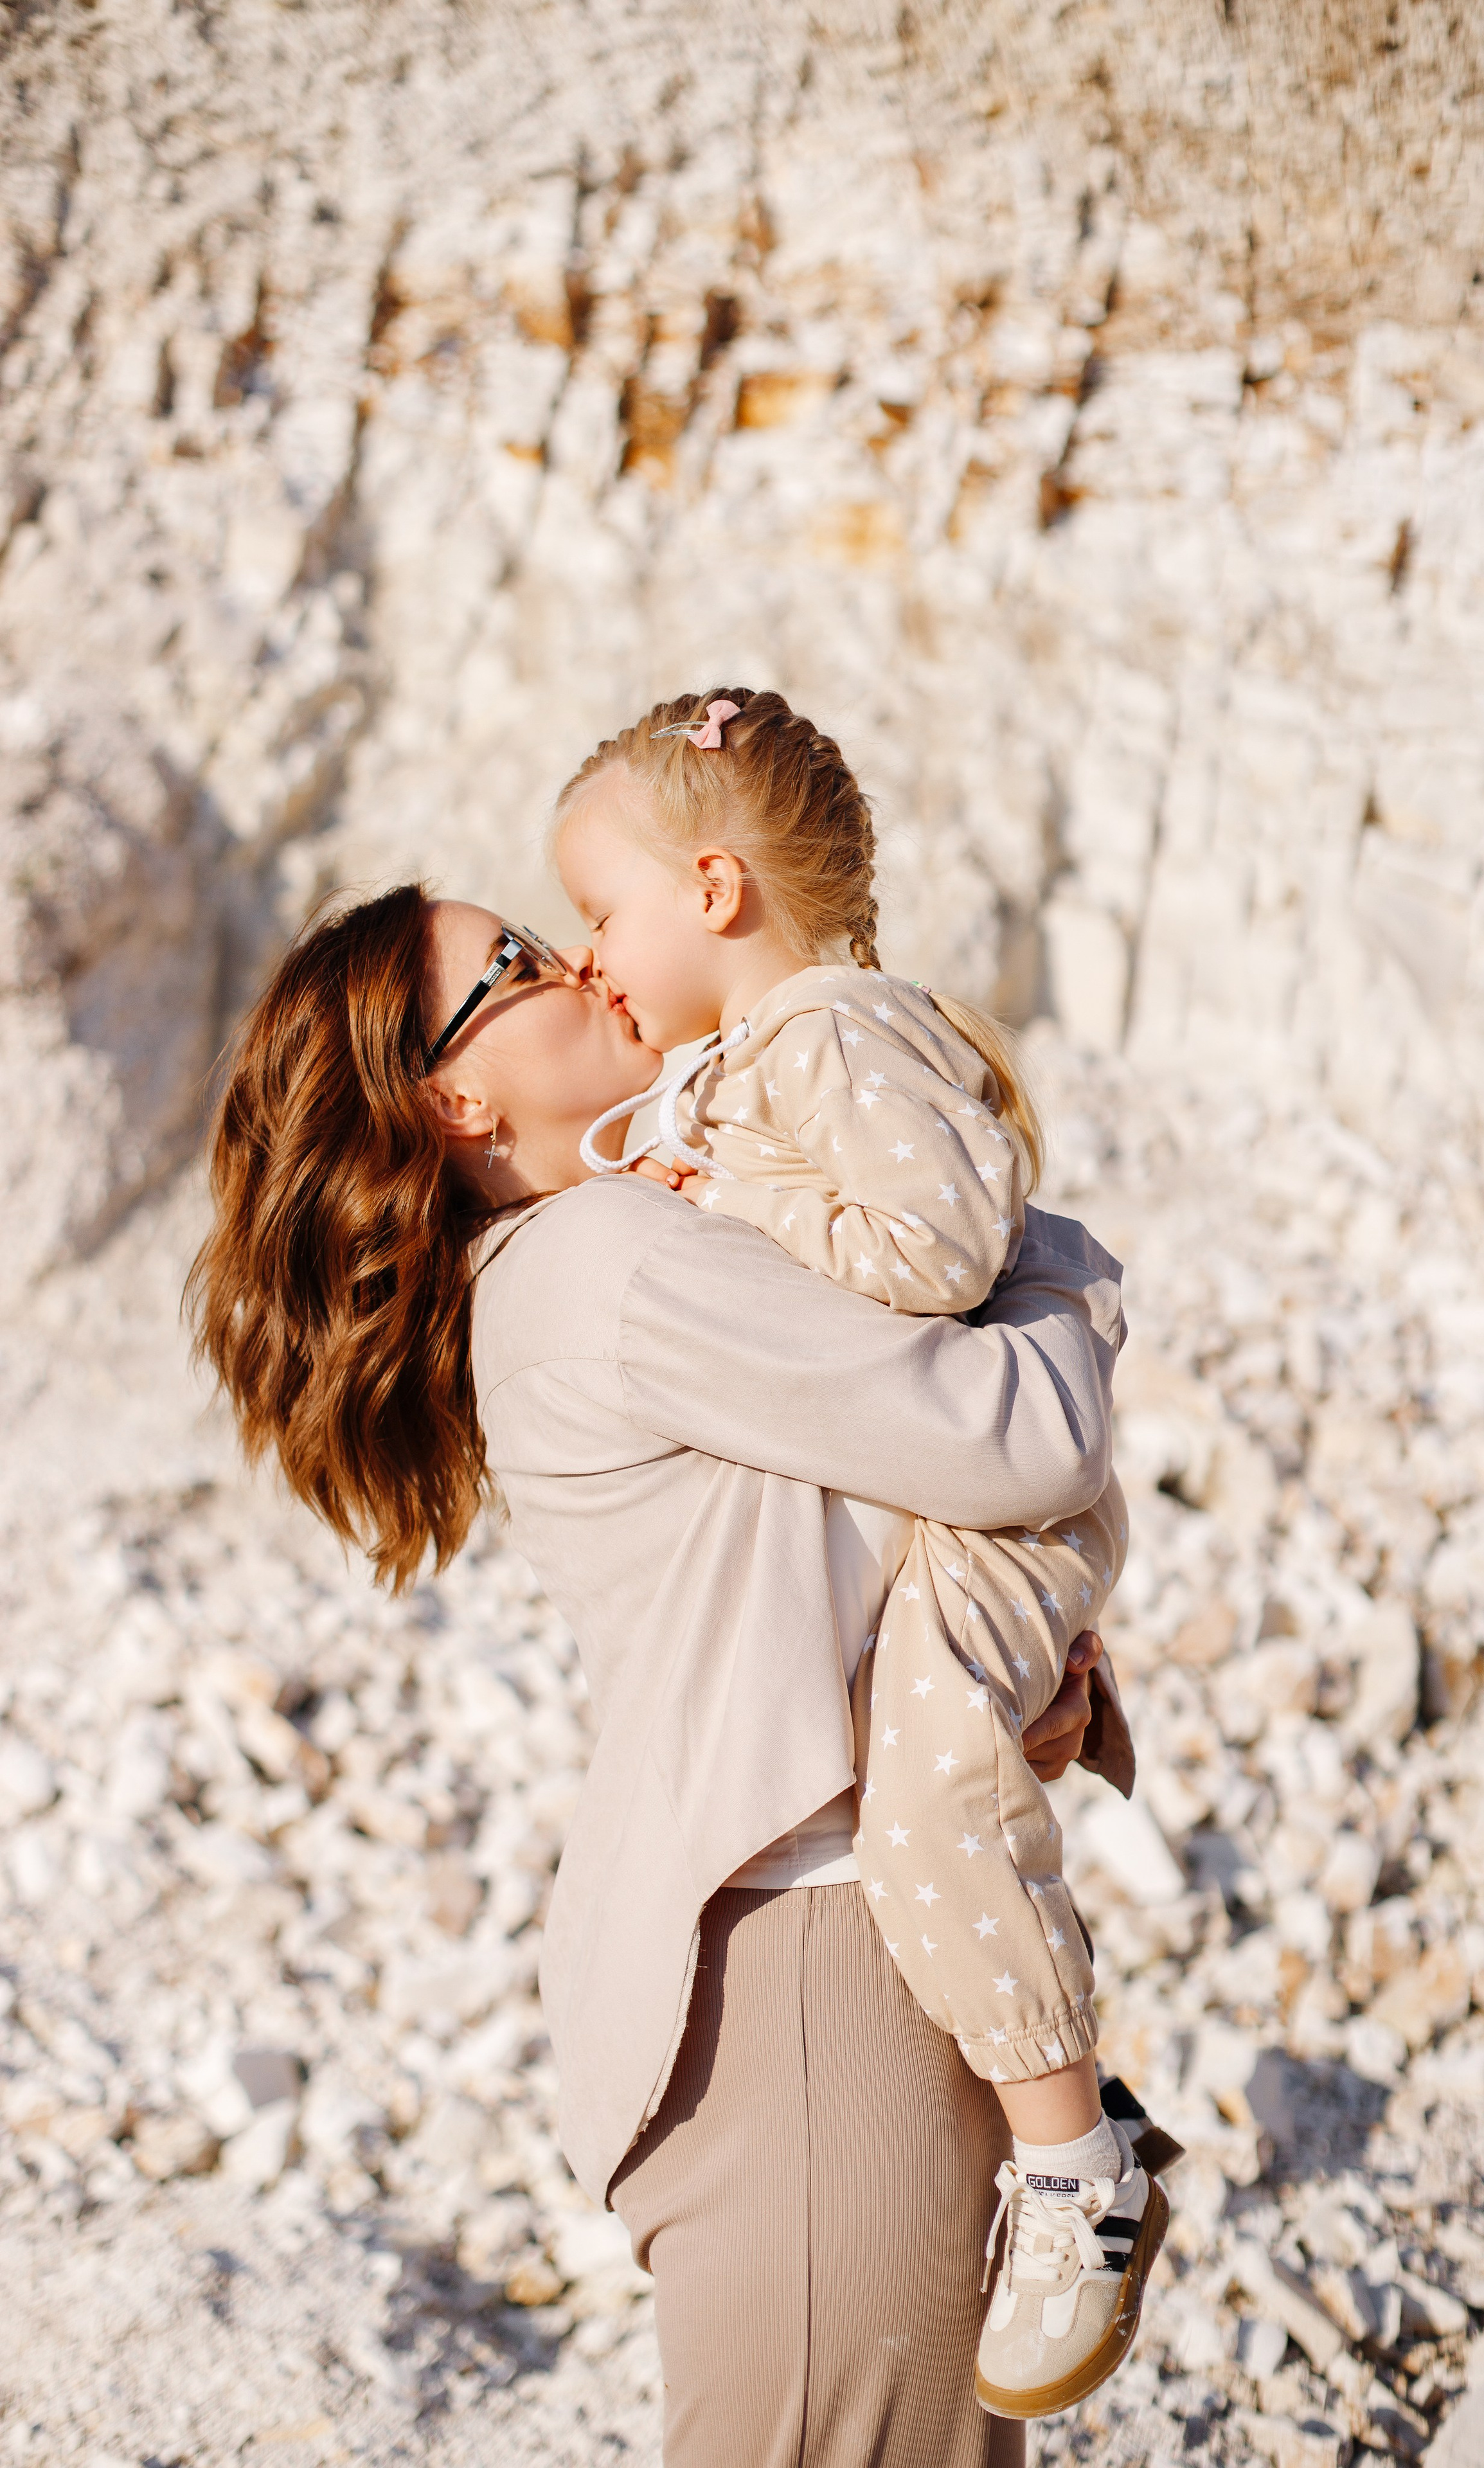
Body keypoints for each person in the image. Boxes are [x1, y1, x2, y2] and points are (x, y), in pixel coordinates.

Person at [186, 881, 1149, 2464]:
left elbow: (851, 1545)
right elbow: (1020, 1433)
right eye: (516, 962)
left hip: (814, 1963)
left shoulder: (619, 1244)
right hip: (805, 1990)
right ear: (455, 1096)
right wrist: (1062, 1273)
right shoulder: (610, 1261)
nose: (575, 964)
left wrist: (1030, 1688)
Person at [551, 688, 1163, 2417]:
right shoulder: (763, 1060)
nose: (593, 957)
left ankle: (1076, 2157)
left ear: (719, 889)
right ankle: (1059, 2135)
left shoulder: (826, 1033)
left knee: (939, 1795)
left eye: (605, 912)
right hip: (959, 1511)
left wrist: (733, 1207)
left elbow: (944, 1250)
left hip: (993, 1520)